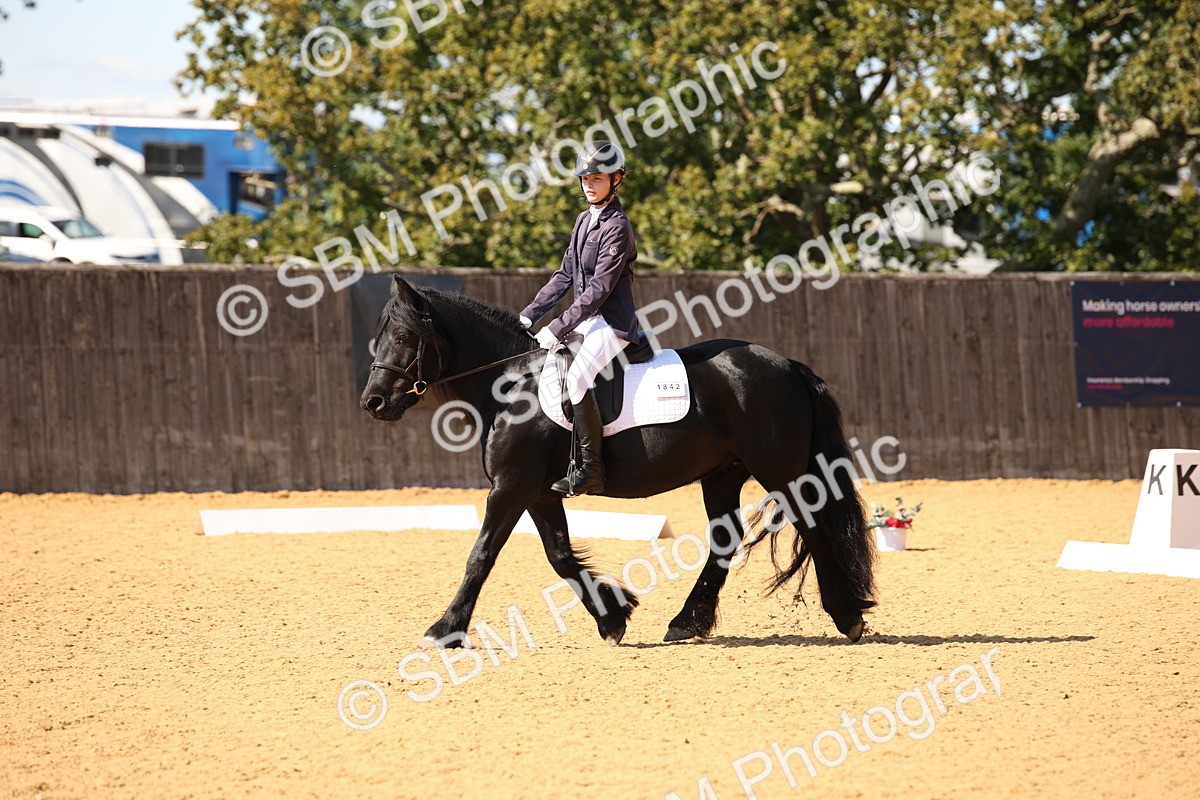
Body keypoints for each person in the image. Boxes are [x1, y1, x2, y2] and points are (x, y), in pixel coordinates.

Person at [520, 140, 639, 496]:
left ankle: (591, 470)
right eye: (584, 178)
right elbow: (565, 275)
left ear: (616, 179)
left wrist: (556, 327)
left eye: (597, 178)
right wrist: (529, 316)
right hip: (587, 320)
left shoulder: (618, 226)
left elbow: (599, 290)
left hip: (613, 323)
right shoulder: (583, 221)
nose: (589, 184)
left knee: (577, 379)